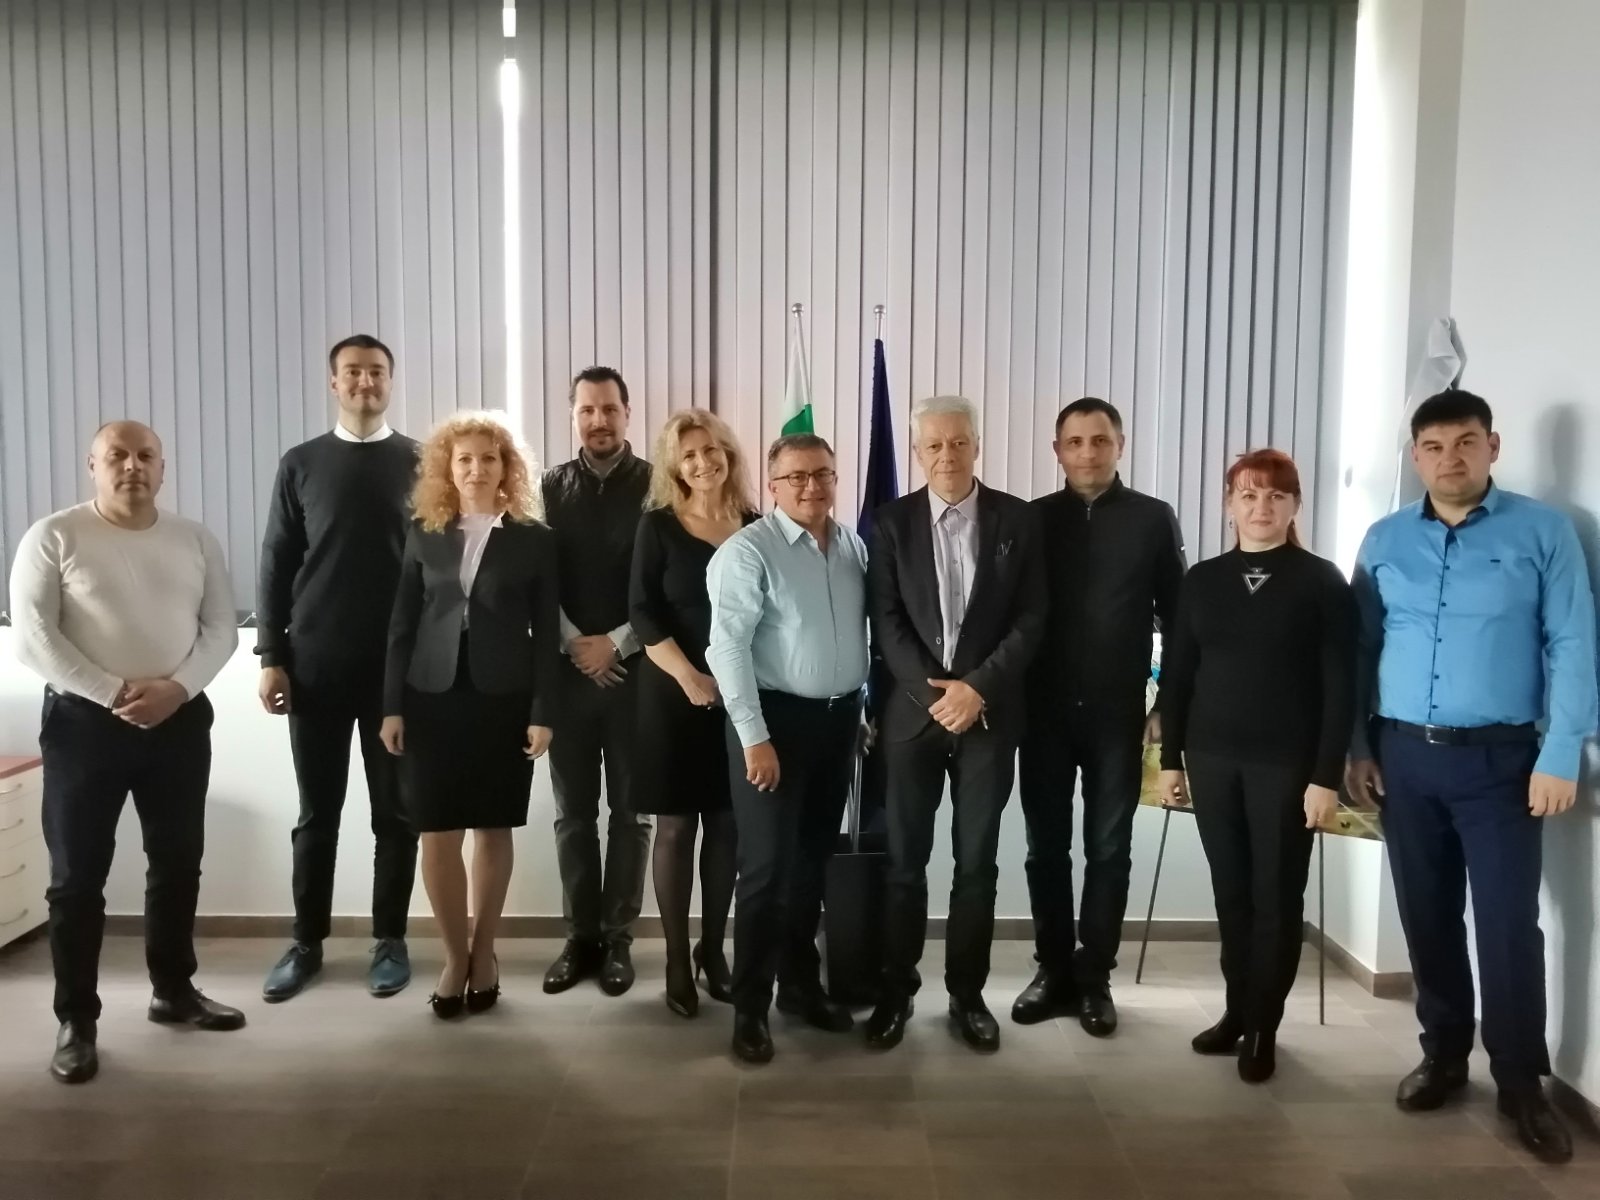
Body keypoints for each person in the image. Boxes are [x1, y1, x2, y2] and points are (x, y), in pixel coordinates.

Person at [1347, 390, 1597, 1164]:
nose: (1449, 458)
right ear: (1415, 456)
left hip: (1503, 763)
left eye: (1465, 442)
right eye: (1433, 446)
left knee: (1507, 925)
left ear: (1493, 446)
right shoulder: (1385, 539)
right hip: (1403, 756)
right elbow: (1359, 648)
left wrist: (1562, 752)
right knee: (1426, 915)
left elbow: (1573, 641)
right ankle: (1444, 1055)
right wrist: (1357, 747)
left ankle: (1521, 1083)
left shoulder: (1543, 532)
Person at [9, 421, 244, 1085]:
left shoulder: (194, 539)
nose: (132, 466)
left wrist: (177, 689)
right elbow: (33, 637)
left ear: (162, 468)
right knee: (77, 879)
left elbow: (221, 629)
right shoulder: (54, 536)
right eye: (117, 455)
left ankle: (174, 991)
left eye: (146, 456)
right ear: (93, 465)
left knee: (177, 862)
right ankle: (76, 1022)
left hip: (179, 721)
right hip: (84, 726)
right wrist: (112, 693)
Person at [1157, 449, 1355, 1084]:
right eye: (1248, 495)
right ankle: (1236, 1011)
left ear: (1295, 505)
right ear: (1229, 504)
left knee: (1276, 897)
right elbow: (1179, 676)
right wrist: (1170, 760)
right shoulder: (1202, 581)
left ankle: (1265, 1025)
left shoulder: (1321, 581)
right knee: (1232, 894)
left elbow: (1340, 687)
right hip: (1212, 759)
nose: (1261, 507)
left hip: (1287, 767)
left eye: (1275, 496)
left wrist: (1325, 776)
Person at [862, 396, 1047, 1055]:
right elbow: (885, 621)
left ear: (977, 446)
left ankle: (967, 996)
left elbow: (1032, 617)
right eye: (934, 445)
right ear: (918, 453)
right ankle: (896, 992)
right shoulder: (889, 523)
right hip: (913, 721)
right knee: (904, 864)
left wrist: (977, 689)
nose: (948, 455)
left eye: (959, 442)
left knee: (976, 866)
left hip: (989, 719)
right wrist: (935, 694)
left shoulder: (1019, 520)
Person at [379, 412, 560, 1018]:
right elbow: (401, 625)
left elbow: (545, 637)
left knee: (492, 827)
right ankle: (454, 958)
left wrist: (543, 710)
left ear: (506, 468)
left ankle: (485, 953)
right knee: (436, 830)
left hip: (502, 697)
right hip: (429, 697)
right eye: (464, 459)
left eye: (488, 458)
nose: (476, 469)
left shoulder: (533, 538)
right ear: (447, 469)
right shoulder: (422, 532)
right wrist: (391, 706)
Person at [257, 334, 420, 1004]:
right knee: (317, 814)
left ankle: (390, 941)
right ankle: (306, 944)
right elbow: (275, 563)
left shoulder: (420, 462)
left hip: (397, 674)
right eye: (352, 372)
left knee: (396, 817)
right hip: (314, 667)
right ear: (333, 383)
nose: (365, 382)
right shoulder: (300, 464)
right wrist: (271, 657)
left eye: (376, 372)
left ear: (390, 382)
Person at [1016, 397, 1186, 1036]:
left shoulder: (1151, 518)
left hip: (1119, 714)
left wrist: (1166, 703)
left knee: (1109, 849)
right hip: (1044, 711)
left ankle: (1094, 978)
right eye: (1075, 442)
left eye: (1100, 440)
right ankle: (1052, 969)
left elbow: (1179, 617)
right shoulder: (1033, 520)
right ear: (1057, 451)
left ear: (1120, 445)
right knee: (1045, 848)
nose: (1087, 452)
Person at [706, 434, 870, 1063]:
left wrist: (858, 709)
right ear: (773, 486)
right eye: (797, 476)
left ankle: (799, 988)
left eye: (822, 474)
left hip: (838, 724)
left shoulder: (851, 545)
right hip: (772, 726)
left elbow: (852, 636)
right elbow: (726, 649)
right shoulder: (749, 552)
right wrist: (755, 738)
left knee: (810, 865)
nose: (811, 486)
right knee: (766, 872)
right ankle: (750, 1009)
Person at [629, 411, 758, 1018]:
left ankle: (713, 950)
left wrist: (735, 687)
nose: (703, 462)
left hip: (739, 700)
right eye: (689, 455)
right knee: (676, 830)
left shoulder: (756, 525)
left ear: (728, 454)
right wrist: (689, 677)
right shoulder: (656, 526)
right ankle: (677, 959)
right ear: (674, 467)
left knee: (728, 827)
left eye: (711, 450)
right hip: (670, 696)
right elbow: (643, 613)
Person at [539, 367, 654, 997]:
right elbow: (538, 580)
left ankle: (618, 940)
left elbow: (664, 582)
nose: (598, 420)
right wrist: (573, 644)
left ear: (627, 412)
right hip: (569, 679)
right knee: (572, 817)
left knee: (632, 816)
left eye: (609, 409)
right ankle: (579, 937)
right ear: (574, 416)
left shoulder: (660, 486)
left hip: (638, 675)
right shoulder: (547, 488)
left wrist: (617, 642)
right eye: (587, 410)